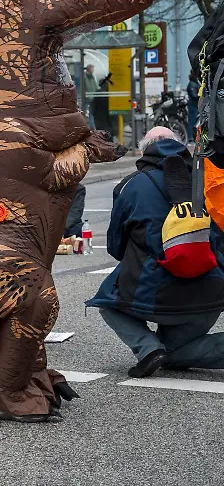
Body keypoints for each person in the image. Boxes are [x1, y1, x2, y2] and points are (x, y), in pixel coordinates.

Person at [86, 128, 224, 377]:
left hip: (153, 295)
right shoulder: (206, 180)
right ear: (181, 145)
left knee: (108, 301)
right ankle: (163, 351)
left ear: (144, 149)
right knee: (176, 351)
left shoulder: (131, 184)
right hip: (210, 293)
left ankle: (148, 349)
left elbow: (115, 247)